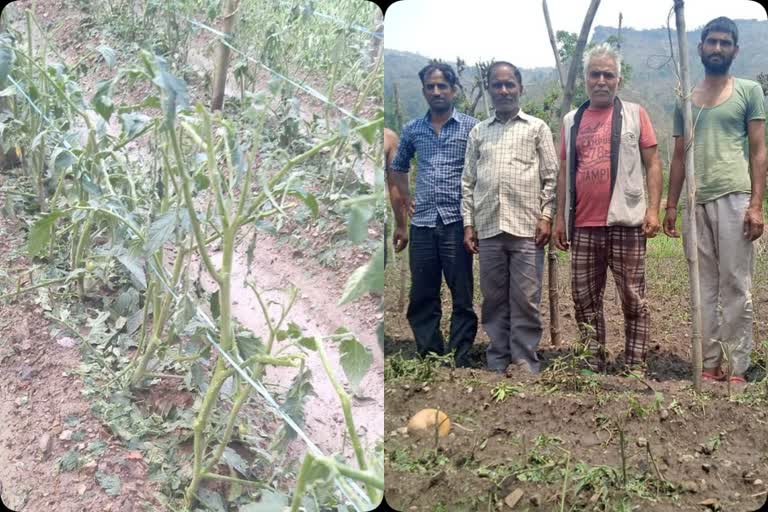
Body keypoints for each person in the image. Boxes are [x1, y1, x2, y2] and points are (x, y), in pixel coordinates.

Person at [663, 17, 766, 385]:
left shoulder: (749, 91)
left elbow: (758, 151)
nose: (718, 48)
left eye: (725, 43)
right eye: (712, 42)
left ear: (735, 50)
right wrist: (671, 205)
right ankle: (708, 365)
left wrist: (756, 205)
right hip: (696, 202)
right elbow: (678, 156)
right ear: (700, 47)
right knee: (702, 287)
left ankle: (738, 366)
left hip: (735, 198)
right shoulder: (685, 98)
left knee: (735, 285)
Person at [553, 43, 663, 373]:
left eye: (608, 74)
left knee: (633, 298)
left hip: (627, 222)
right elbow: (563, 171)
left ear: (619, 79)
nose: (601, 80)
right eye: (595, 74)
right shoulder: (571, 120)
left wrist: (653, 210)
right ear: (586, 79)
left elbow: (653, 163)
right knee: (584, 299)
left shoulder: (635, 113)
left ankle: (634, 365)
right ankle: (593, 363)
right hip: (584, 225)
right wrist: (560, 217)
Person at [461, 62, 558, 374]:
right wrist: (468, 223)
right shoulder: (479, 132)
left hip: (527, 228)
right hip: (488, 227)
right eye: (497, 85)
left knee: (526, 299)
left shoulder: (536, 128)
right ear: (489, 89)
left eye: (509, 85)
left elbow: (551, 177)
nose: (503, 90)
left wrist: (546, 216)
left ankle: (525, 361)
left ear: (520, 88)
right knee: (493, 299)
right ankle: (497, 358)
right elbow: (467, 181)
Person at [389, 63, 479, 367]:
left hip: (457, 222)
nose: (437, 91)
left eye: (442, 86)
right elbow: (398, 166)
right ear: (424, 90)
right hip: (424, 223)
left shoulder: (470, 126)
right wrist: (405, 199)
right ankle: (429, 353)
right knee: (423, 294)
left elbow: (482, 170)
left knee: (462, 295)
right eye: (431, 86)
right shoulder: (413, 129)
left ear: (453, 90)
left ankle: (459, 355)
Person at [384, 128, 406, 268]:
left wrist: (402, 225)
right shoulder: (389, 137)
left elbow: (395, 187)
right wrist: (402, 226)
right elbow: (395, 186)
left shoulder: (389, 138)